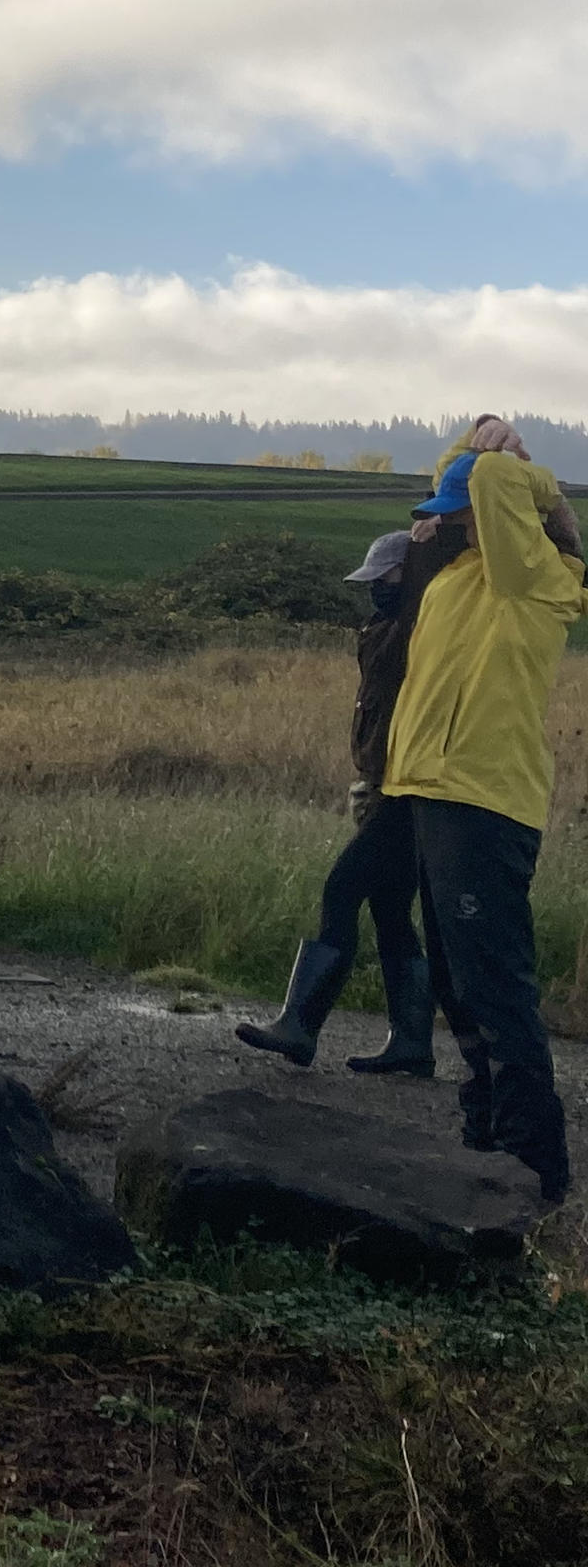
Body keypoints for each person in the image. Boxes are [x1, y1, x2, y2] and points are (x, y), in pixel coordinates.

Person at [382, 417, 587, 1202]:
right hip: (432, 793)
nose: (443, 523)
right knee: (460, 989)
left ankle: (536, 1170)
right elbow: (471, 486)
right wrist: (470, 448)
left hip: (484, 800)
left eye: (459, 513)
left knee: (496, 990)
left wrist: (524, 473)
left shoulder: (533, 578)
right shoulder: (456, 579)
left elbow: (500, 490)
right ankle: (485, 1144)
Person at [235, 528, 456, 1073]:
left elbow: (424, 576)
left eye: (387, 576)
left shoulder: (418, 627)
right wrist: (368, 779)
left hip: (408, 790)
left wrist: (426, 537)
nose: (377, 586)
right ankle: (412, 1044)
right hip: (387, 785)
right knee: (388, 910)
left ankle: (300, 1026)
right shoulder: (380, 628)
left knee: (340, 891)